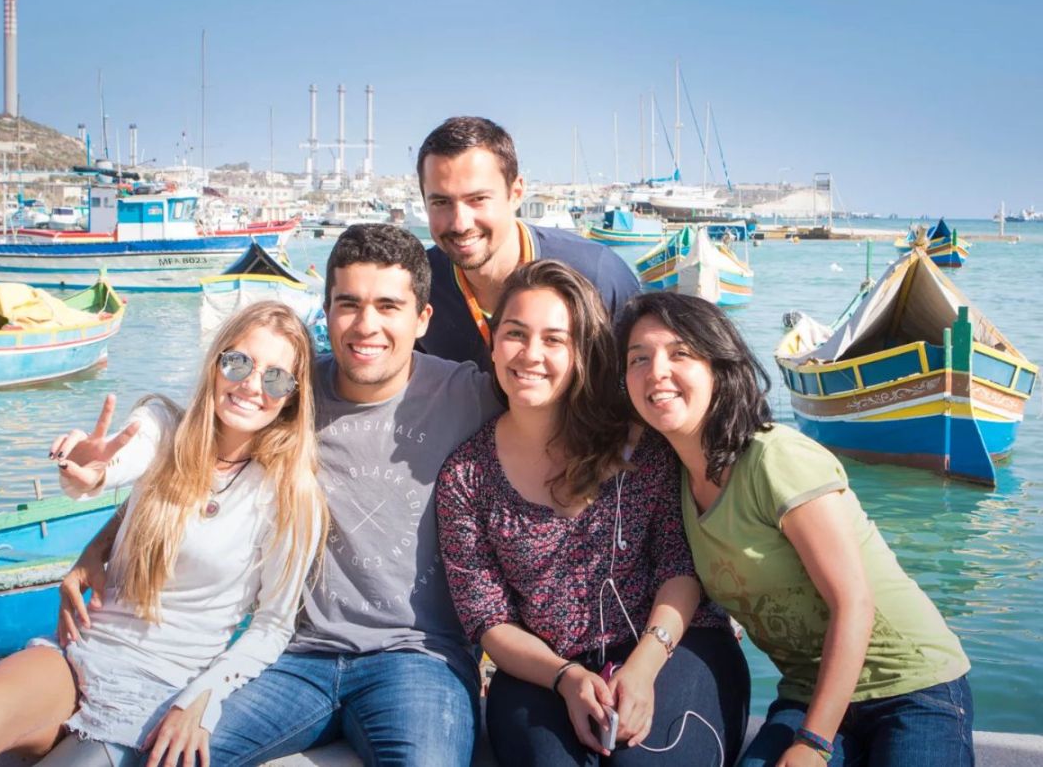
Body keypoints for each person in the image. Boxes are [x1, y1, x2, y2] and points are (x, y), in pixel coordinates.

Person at [55, 223, 501, 766]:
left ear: (422, 318)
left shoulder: (467, 394)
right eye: (349, 304)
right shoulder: (285, 393)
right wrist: (98, 546)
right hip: (297, 655)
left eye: (389, 306)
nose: (367, 325)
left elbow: (553, 422)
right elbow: (190, 459)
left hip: (416, 657)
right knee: (172, 753)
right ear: (327, 310)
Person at [616, 292, 974, 767]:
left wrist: (814, 743)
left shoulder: (774, 458)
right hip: (808, 691)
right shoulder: (673, 480)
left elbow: (853, 602)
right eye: (638, 358)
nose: (656, 371)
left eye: (679, 353)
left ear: (719, 367)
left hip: (911, 686)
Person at [0, 301, 324, 767]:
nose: (252, 385)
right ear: (216, 363)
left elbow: (272, 625)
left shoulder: (290, 494)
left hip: (159, 685)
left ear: (293, 396)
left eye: (275, 378)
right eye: (239, 363)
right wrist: (89, 471)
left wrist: (203, 699)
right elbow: (116, 462)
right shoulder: (163, 424)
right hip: (83, 651)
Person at [436, 261, 749, 766]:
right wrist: (566, 677)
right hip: (543, 670)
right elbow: (488, 619)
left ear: (582, 352)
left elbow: (679, 566)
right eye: (515, 334)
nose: (531, 354)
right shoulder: (466, 476)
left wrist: (643, 667)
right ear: (493, 344)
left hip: (673, 646)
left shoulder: (638, 443)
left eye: (554, 340)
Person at [416, 115, 639, 370]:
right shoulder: (417, 285)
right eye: (441, 202)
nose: (460, 223)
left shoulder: (598, 276)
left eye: (478, 199)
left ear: (516, 193)